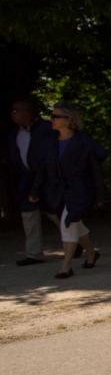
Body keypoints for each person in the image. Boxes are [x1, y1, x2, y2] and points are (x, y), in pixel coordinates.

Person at [28, 103, 106, 279]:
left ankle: (66, 265)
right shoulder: (50, 143)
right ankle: (91, 253)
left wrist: (100, 194)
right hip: (57, 192)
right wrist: (35, 190)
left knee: (68, 222)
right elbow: (42, 169)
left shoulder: (84, 142)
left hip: (79, 190)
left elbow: (95, 169)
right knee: (75, 223)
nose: (52, 120)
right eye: (52, 116)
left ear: (69, 119)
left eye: (56, 116)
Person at [7, 99, 54, 265]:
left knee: (55, 211)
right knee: (28, 215)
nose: (13, 114)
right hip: (26, 178)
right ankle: (34, 253)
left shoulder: (47, 129)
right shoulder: (14, 133)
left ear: (27, 112)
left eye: (16, 110)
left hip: (48, 178)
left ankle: (76, 242)